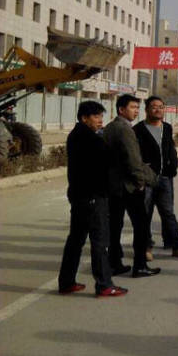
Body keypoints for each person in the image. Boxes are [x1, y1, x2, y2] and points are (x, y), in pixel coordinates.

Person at [58, 101, 127, 297]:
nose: (100, 120)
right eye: (96, 116)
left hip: (80, 195)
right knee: (100, 240)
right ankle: (104, 284)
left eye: (101, 116)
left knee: (76, 239)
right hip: (93, 196)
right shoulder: (89, 138)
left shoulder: (76, 135)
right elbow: (108, 160)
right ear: (84, 118)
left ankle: (66, 281)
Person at [102, 94, 159, 278]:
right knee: (141, 226)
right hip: (129, 186)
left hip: (113, 185)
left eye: (137, 108)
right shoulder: (125, 129)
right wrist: (140, 181)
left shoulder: (110, 127)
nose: (136, 111)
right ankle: (140, 265)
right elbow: (133, 159)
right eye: (133, 107)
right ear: (121, 109)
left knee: (115, 226)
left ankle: (114, 263)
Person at [133, 96, 178, 260]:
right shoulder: (138, 129)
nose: (158, 109)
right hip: (147, 179)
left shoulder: (167, 127)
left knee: (168, 213)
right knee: (145, 214)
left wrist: (173, 166)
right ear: (146, 109)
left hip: (165, 178)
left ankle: (177, 246)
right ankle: (145, 247)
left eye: (161, 106)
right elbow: (135, 155)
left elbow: (170, 148)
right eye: (154, 106)